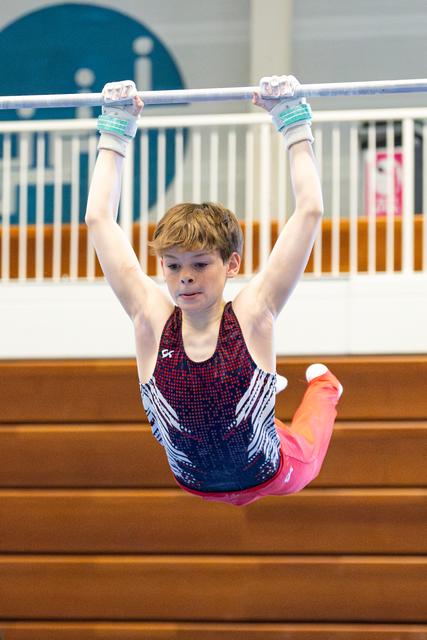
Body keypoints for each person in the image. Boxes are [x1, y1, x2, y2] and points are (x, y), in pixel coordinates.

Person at [85, 75, 343, 507]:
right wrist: (116, 126)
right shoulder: (151, 318)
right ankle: (263, 389)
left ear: (232, 265)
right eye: (173, 266)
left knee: (309, 438)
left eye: (200, 264)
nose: (184, 277)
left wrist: (293, 120)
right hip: (196, 481)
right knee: (247, 409)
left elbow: (310, 210)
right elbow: (99, 221)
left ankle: (326, 387)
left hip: (274, 471)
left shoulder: (252, 315)